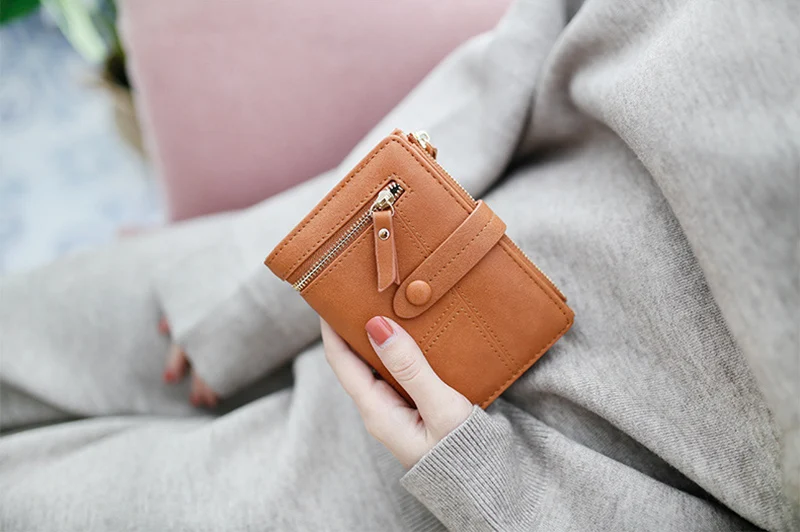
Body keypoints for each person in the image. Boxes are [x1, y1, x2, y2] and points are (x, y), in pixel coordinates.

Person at [1, 0, 798, 530]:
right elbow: (532, 40)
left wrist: (486, 483)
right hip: (378, 236)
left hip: (469, 480)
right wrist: (264, 273)